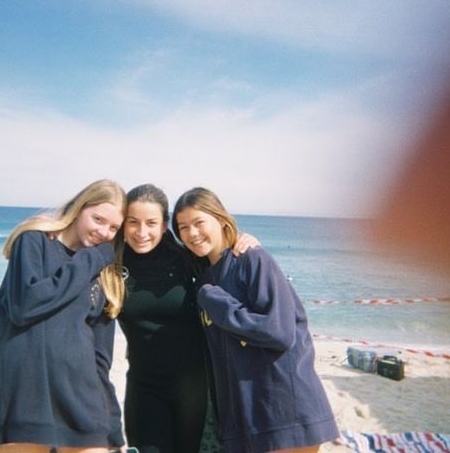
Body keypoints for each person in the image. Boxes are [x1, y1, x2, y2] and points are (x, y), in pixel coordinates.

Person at [172, 187, 339, 453]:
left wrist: (215, 301)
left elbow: (279, 332)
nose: (192, 233)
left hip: (283, 407)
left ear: (221, 219)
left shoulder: (251, 259)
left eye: (199, 222)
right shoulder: (205, 278)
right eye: (183, 227)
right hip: (244, 413)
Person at [0, 179, 128, 453]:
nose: (104, 233)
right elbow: (25, 305)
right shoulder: (34, 241)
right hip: (25, 401)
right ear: (79, 207)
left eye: (113, 228)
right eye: (97, 219)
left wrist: (112, 426)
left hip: (84, 406)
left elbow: (100, 360)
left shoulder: (105, 275)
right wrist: (91, 260)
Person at [118, 183, 257, 453]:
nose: (141, 232)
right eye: (133, 222)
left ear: (164, 225)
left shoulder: (186, 259)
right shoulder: (112, 262)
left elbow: (224, 261)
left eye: (151, 223)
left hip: (193, 388)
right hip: (143, 387)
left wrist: (245, 240)